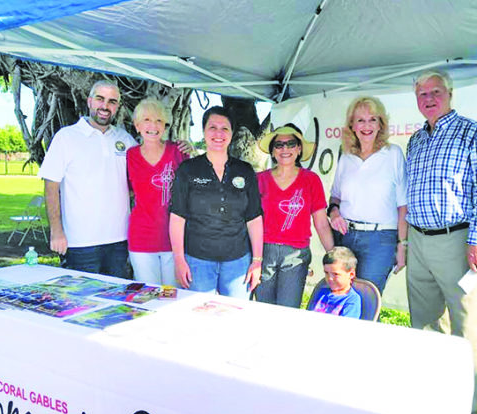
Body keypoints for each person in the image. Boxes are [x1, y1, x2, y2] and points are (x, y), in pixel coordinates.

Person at [406, 70, 477, 414]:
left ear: (450, 94)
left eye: (436, 91)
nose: (429, 98)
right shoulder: (415, 140)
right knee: (425, 327)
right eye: (422, 93)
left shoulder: (473, 131)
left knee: (464, 331)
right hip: (418, 240)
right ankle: (433, 403)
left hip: (455, 241)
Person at [38, 81, 136, 278]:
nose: (105, 106)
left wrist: (179, 148)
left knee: (117, 302)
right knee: (81, 302)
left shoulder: (125, 140)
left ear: (117, 107)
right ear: (90, 101)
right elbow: (51, 188)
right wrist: (56, 232)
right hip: (80, 242)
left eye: (112, 101)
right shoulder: (66, 137)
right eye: (100, 99)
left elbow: (145, 174)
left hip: (119, 241)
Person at [169, 106, 263, 298]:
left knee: (235, 317)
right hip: (197, 260)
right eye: (212, 127)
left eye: (225, 128)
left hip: (238, 262)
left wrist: (257, 261)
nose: (218, 133)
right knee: (199, 318)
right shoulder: (188, 169)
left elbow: (254, 218)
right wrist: (179, 259)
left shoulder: (244, 170)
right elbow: (177, 217)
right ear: (203, 131)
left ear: (231, 133)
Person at [328, 96, 408, 294]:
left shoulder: (393, 154)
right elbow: (335, 197)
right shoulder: (346, 157)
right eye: (360, 120)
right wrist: (334, 213)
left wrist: (402, 245)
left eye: (373, 119)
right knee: (344, 297)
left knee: (367, 298)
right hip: (346, 237)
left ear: (381, 124)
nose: (367, 125)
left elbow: (403, 206)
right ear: (352, 125)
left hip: (380, 241)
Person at [254, 123, 334, 308]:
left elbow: (321, 223)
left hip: (296, 256)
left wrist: (333, 256)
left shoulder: (311, 180)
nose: (285, 149)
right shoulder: (259, 180)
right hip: (263, 253)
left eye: (291, 144)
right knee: (263, 309)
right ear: (272, 151)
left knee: (288, 311)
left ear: (299, 149)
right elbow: (250, 222)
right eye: (279, 145)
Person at [126, 97, 191, 285]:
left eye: (159, 121)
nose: (153, 125)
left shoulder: (178, 152)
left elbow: (194, 189)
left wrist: (192, 151)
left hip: (174, 238)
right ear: (137, 126)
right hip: (142, 237)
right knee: (147, 295)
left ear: (165, 126)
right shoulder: (130, 156)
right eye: (146, 120)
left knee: (173, 295)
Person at [309, 246, 361, 318]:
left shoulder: (351, 300)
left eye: (336, 274)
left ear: (351, 274)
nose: (330, 278)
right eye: (326, 273)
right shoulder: (321, 292)